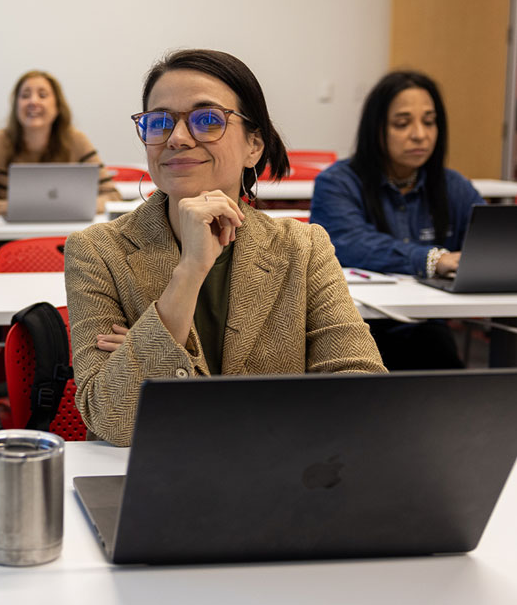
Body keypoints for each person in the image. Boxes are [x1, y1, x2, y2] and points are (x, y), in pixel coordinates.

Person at [64, 49, 385, 447]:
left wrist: (145, 348)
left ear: (255, 145)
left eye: (208, 119)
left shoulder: (303, 248)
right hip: (147, 480)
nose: (178, 138)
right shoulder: (97, 252)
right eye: (160, 122)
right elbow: (112, 419)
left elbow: (362, 395)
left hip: (274, 477)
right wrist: (188, 272)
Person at [310, 70, 484, 369]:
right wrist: (434, 259)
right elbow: (349, 243)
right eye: (402, 123)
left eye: (429, 122)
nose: (420, 134)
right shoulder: (338, 182)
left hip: (427, 330)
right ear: (375, 129)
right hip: (356, 327)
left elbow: (489, 246)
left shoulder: (453, 186)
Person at [0, 70, 121, 215]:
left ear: (57, 106)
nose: (33, 102)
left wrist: (70, 207)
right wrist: (6, 208)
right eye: (25, 95)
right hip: (0, 244)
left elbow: (113, 197)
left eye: (42, 95)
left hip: (62, 243)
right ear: (16, 105)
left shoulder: (77, 141)